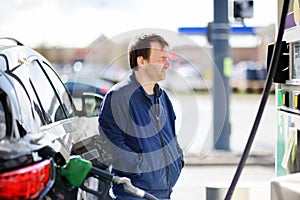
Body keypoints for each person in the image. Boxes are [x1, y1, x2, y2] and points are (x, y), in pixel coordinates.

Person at [98, 33, 184, 200]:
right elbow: (114, 150)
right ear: (142, 61)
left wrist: (177, 160)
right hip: (133, 195)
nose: (167, 64)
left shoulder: (162, 96)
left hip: (164, 194)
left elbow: (171, 137)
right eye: (161, 58)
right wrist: (146, 167)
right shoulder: (118, 97)